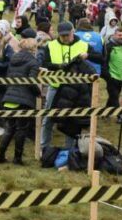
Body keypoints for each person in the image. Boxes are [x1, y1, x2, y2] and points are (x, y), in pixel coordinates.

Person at [41, 21, 100, 150]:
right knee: (48, 118)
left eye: (67, 35)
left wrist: (88, 55)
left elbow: (101, 58)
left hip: (75, 89)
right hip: (56, 86)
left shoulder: (83, 45)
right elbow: (45, 63)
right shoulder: (51, 45)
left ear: (73, 32)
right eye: (62, 35)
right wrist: (58, 66)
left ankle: (70, 149)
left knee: (72, 119)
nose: (65, 38)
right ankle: (43, 147)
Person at [0, 38, 41, 165]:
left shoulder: (13, 59)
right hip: (23, 100)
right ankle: (17, 158)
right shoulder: (33, 62)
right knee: (21, 130)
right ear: (33, 49)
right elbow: (31, 81)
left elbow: (8, 77)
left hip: (9, 97)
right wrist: (38, 93)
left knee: (9, 129)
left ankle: (0, 156)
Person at [102, 27, 122, 108]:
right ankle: (119, 114)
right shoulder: (108, 46)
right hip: (112, 77)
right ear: (114, 35)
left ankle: (105, 111)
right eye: (119, 35)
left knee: (113, 97)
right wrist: (108, 76)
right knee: (114, 97)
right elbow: (104, 62)